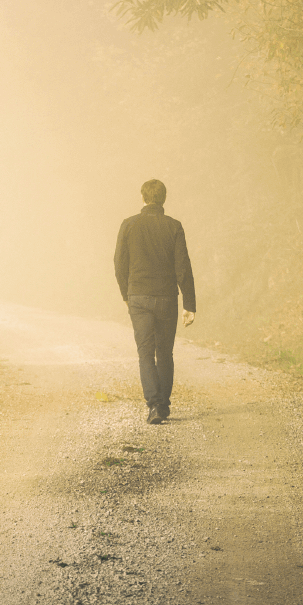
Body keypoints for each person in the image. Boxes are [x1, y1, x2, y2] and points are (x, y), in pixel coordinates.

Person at [114, 179, 196, 424]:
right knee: (165, 353)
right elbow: (183, 267)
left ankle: (154, 406)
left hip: (138, 296)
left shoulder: (128, 225)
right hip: (166, 298)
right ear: (164, 199)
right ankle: (162, 405)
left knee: (145, 353)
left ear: (143, 197)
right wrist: (189, 304)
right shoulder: (174, 227)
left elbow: (119, 265)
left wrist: (126, 295)